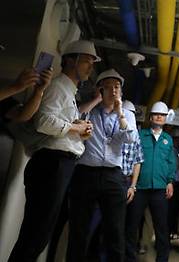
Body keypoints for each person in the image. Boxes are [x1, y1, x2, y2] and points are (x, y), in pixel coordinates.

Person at [9, 40, 101, 262]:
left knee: (39, 233)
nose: (90, 67)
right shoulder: (59, 86)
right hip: (52, 163)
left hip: (58, 164)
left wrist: (77, 130)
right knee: (36, 234)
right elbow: (43, 122)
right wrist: (74, 128)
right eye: (87, 61)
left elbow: (57, 122)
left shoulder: (68, 90)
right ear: (71, 60)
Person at [67, 69, 138, 262]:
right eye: (108, 87)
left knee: (115, 229)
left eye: (117, 87)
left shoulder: (127, 115)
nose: (114, 91)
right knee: (79, 227)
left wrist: (120, 112)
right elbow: (72, 115)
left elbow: (131, 138)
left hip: (113, 175)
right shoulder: (90, 111)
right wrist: (96, 100)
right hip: (85, 172)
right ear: (100, 90)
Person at [125, 101, 177, 262]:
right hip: (140, 187)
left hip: (160, 188)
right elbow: (133, 158)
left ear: (166, 118)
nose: (159, 117)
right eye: (156, 114)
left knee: (161, 227)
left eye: (162, 115)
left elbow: (171, 162)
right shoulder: (141, 135)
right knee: (132, 225)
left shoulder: (168, 139)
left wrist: (169, 181)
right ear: (151, 117)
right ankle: (129, 258)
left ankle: (162, 259)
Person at [169, 128, 179, 240]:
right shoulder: (170, 151)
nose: (177, 141)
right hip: (171, 183)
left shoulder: (178, 152)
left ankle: (173, 231)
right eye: (175, 138)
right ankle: (169, 232)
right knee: (170, 209)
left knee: (176, 209)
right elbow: (173, 167)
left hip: (178, 183)